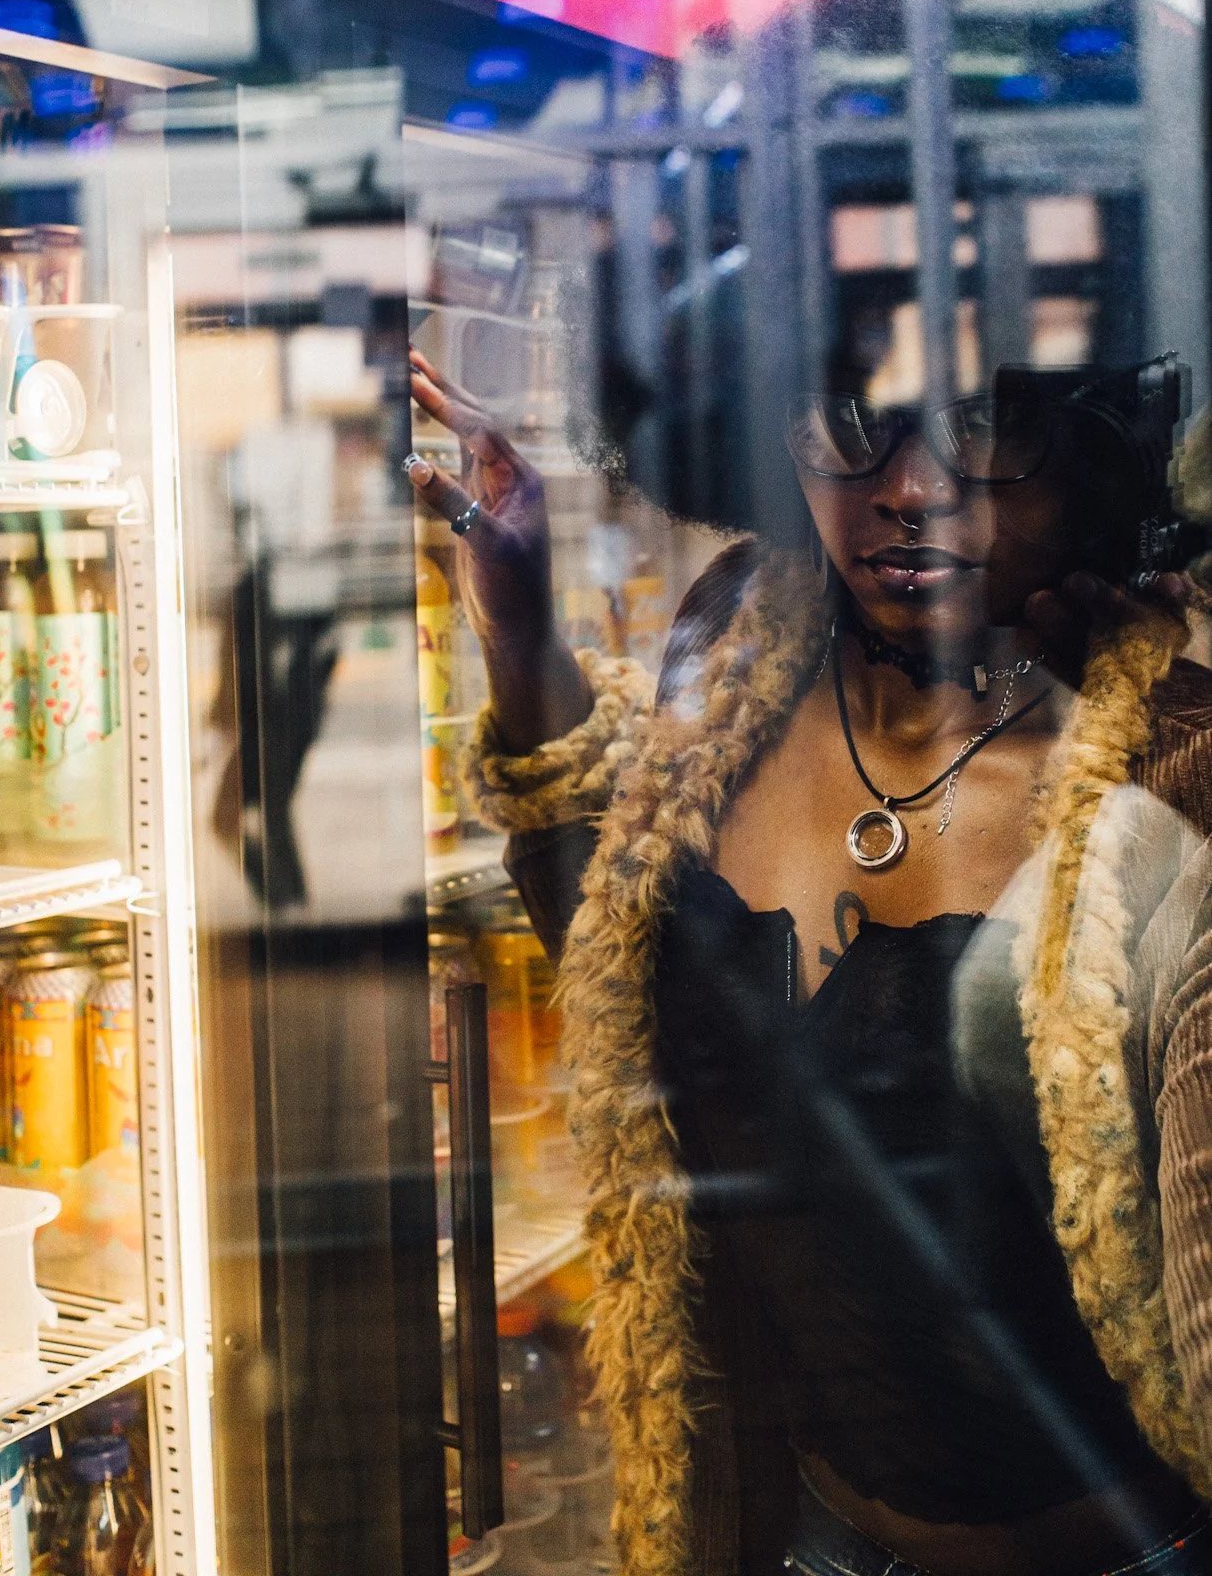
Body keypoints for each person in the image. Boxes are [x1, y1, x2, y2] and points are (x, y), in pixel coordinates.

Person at [408, 344, 1212, 1576]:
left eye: (985, 420)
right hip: (804, 1538)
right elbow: (629, 962)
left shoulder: (1170, 754)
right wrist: (518, 632)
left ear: (1097, 432)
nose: (909, 485)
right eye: (855, 416)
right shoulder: (736, 636)